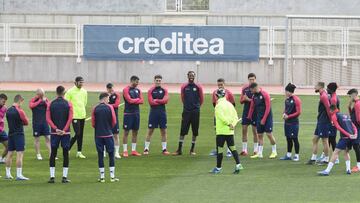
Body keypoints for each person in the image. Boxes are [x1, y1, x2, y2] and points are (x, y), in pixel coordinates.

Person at [209, 89, 243, 174]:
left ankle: (218, 168)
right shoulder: (230, 104)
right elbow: (235, 117)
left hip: (221, 131)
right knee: (233, 148)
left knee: (220, 150)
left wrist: (228, 124)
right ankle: (238, 164)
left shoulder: (218, 105)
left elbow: (220, 117)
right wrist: (233, 125)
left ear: (217, 96)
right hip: (230, 131)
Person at [318, 105, 357, 176]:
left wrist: (348, 135)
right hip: (352, 138)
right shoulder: (345, 115)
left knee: (335, 152)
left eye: (330, 111)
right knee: (346, 152)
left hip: (345, 137)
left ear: (332, 110)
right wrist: (355, 133)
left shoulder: (334, 116)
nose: (329, 112)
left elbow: (338, 127)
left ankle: (327, 171)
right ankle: (348, 170)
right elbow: (353, 125)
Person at [173, 71, 204, 156]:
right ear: (187, 76)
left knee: (195, 131)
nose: (191, 77)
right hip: (186, 111)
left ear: (194, 77)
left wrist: (196, 107)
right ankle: (179, 149)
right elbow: (182, 98)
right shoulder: (184, 86)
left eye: (193, 76)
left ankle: (192, 149)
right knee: (183, 130)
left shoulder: (198, 86)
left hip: (195, 112)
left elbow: (201, 99)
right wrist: (187, 106)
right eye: (190, 75)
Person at [46, 86, 73, 183]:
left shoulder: (50, 104)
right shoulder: (68, 104)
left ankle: (52, 177)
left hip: (54, 132)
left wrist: (56, 128)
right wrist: (64, 130)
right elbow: (70, 118)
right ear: (64, 92)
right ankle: (64, 177)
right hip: (66, 133)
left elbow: (48, 119)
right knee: (65, 154)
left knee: (53, 153)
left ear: (56, 92)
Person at [91, 92, 119, 183]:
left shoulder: (95, 108)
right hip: (108, 134)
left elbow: (93, 123)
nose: (109, 100)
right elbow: (114, 121)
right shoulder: (110, 107)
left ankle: (102, 177)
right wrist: (108, 128)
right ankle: (112, 176)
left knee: (100, 155)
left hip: (98, 135)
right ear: (105, 98)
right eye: (108, 98)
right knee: (111, 154)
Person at [247, 83, 277, 159]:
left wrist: (264, 119)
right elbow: (252, 107)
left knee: (269, 134)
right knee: (259, 135)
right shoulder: (254, 96)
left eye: (251, 90)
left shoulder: (265, 94)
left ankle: (274, 151)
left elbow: (268, 108)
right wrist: (249, 117)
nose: (251, 92)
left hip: (267, 118)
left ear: (255, 88)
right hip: (259, 118)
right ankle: (260, 153)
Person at [144, 75, 170, 155]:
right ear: (154, 81)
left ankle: (164, 149)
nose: (158, 82)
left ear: (161, 81)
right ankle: (146, 149)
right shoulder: (151, 90)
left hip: (162, 113)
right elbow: (151, 102)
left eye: (159, 80)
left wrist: (157, 100)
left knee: (163, 131)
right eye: (157, 80)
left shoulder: (164, 90)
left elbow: (166, 100)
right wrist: (161, 101)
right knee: (150, 131)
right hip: (153, 113)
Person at [5, 94, 29, 180]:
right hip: (19, 134)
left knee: (10, 153)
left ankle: (8, 174)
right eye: (22, 101)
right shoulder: (20, 111)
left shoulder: (8, 110)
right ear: (20, 101)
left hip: (10, 133)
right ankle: (19, 175)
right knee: (20, 154)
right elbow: (26, 122)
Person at [306, 82, 331, 165]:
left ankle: (326, 159)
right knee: (315, 139)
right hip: (320, 121)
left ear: (320, 87)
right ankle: (313, 159)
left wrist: (331, 120)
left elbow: (328, 108)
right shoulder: (322, 95)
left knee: (325, 140)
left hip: (324, 121)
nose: (314, 87)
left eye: (315, 86)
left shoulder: (324, 96)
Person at [209, 78, 235, 157]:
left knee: (228, 132)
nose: (220, 86)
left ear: (224, 84)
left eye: (221, 84)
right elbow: (214, 103)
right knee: (218, 132)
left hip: (227, 116)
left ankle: (229, 151)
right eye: (218, 85)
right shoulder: (215, 93)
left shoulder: (228, 93)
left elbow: (233, 104)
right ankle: (218, 150)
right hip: (218, 116)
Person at [65, 76, 88, 159]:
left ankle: (79, 152)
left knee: (80, 134)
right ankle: (67, 148)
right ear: (75, 82)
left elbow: (84, 102)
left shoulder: (84, 92)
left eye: (82, 82)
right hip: (74, 116)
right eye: (80, 82)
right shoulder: (70, 92)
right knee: (77, 133)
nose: (81, 84)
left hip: (82, 115)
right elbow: (66, 104)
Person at [318, 82, 340, 164]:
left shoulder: (333, 99)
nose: (326, 89)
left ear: (331, 89)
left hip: (333, 120)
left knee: (332, 139)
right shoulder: (334, 96)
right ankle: (326, 155)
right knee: (330, 138)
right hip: (334, 120)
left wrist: (332, 121)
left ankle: (336, 158)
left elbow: (333, 111)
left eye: (328, 88)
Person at [122, 75, 144, 157]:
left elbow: (142, 101)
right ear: (132, 81)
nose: (137, 83)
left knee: (135, 132)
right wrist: (137, 100)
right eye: (136, 82)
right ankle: (125, 151)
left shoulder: (138, 90)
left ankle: (133, 150)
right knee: (126, 132)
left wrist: (135, 100)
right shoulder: (126, 89)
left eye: (138, 82)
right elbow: (129, 100)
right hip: (128, 114)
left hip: (136, 114)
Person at [280, 83, 302, 161]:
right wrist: (283, 114)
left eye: (286, 91)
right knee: (288, 138)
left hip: (293, 123)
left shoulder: (296, 100)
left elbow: (298, 112)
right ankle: (288, 155)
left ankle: (296, 155)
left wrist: (288, 116)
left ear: (289, 91)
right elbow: (286, 109)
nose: (285, 93)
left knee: (294, 139)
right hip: (287, 123)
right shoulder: (287, 100)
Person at [29, 88, 51, 160]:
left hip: (45, 123)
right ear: (37, 94)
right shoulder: (33, 99)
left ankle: (51, 154)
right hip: (36, 123)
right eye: (41, 95)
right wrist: (39, 101)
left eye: (43, 95)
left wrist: (45, 102)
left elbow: (49, 106)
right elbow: (31, 106)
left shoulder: (45, 99)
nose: (42, 96)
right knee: (37, 139)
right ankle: (38, 154)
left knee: (48, 138)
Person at [239, 73, 259, 156]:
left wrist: (248, 99)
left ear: (255, 79)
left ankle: (255, 150)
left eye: (253, 79)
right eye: (250, 79)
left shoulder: (258, 89)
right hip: (246, 112)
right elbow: (241, 101)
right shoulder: (245, 89)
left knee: (255, 131)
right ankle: (244, 150)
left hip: (255, 112)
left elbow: (258, 102)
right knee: (244, 130)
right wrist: (244, 99)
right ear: (248, 80)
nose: (251, 81)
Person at [106, 83, 121, 159]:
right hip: (106, 118)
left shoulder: (117, 95)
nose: (110, 89)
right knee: (105, 135)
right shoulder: (105, 95)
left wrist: (108, 105)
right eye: (109, 88)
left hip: (114, 118)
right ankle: (105, 152)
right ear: (107, 88)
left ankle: (117, 152)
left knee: (116, 135)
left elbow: (116, 104)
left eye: (111, 87)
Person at [346, 88, 360, 173]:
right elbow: (353, 115)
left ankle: (358, 166)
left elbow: (358, 118)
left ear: (354, 94)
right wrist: (349, 106)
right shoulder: (356, 103)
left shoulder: (357, 104)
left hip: (357, 128)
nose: (349, 97)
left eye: (350, 95)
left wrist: (356, 129)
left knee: (356, 145)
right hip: (355, 127)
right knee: (356, 145)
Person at [0, 94, 9, 163]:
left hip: (1, 131)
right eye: (3, 101)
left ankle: (1, 159)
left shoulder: (4, 108)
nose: (4, 103)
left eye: (5, 102)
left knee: (9, 146)